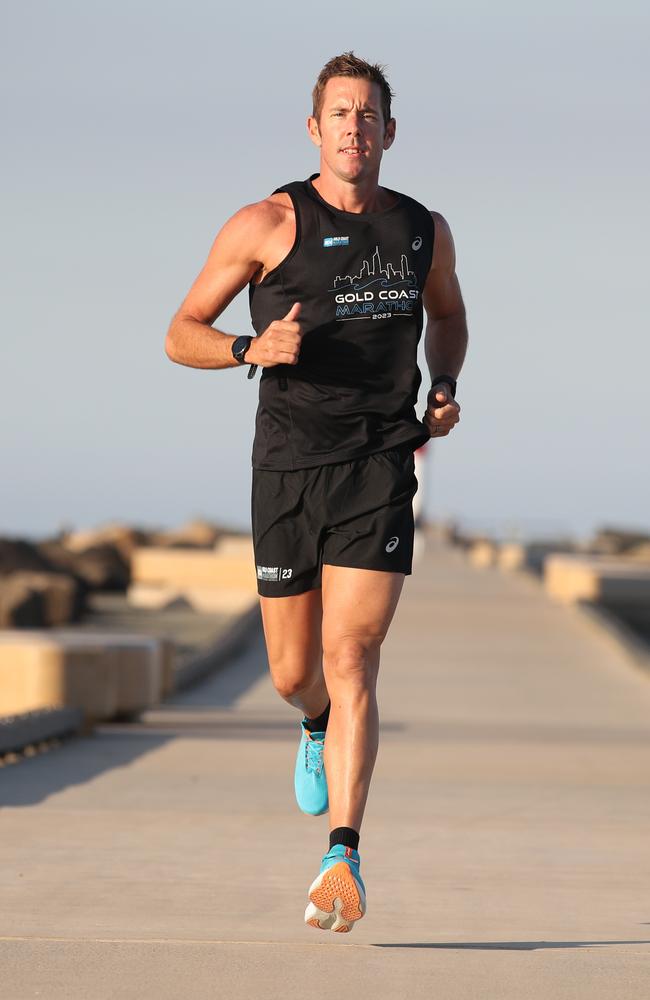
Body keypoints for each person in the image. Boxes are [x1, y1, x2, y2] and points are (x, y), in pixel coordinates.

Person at [165, 51, 468, 933]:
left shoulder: (422, 230)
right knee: (297, 674)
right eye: (340, 114)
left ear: (389, 132)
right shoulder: (264, 224)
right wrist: (246, 350)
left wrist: (440, 386)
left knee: (354, 654)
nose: (355, 128)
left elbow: (446, 314)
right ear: (315, 129)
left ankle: (343, 854)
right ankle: (312, 724)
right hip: (289, 466)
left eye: (369, 114)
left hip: (381, 461)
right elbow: (180, 331)